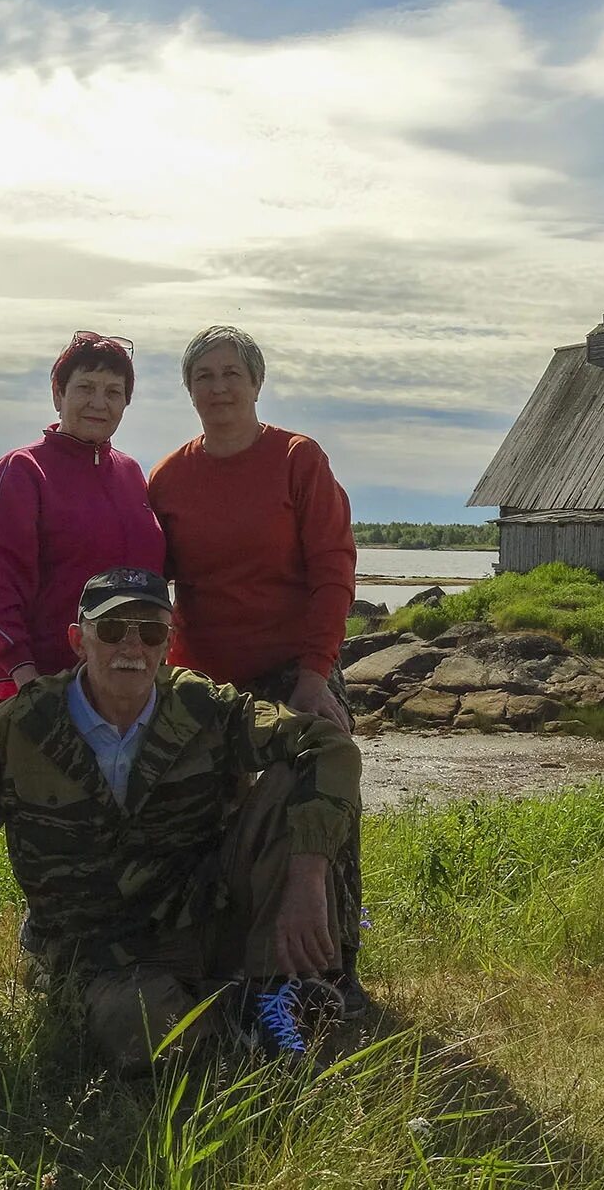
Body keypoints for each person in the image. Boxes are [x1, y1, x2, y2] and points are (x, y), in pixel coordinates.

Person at [0, 567, 362, 1069]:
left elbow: (327, 746)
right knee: (146, 1032)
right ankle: (239, 1016)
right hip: (95, 953)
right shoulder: (18, 729)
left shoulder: (202, 706)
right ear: (79, 641)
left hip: (201, 919)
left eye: (151, 632)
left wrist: (307, 875)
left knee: (293, 778)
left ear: (169, 642)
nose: (132, 647)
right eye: (114, 630)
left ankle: (271, 991)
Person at [146, 325, 367, 1008]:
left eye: (230, 373)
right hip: (206, 677)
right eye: (203, 377)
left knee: (321, 801)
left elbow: (335, 571)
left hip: (292, 667)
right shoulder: (170, 478)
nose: (218, 387)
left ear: (256, 382)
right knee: (208, 817)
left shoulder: (298, 459)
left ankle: (335, 971)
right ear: (188, 391)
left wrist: (313, 673)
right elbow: (153, 584)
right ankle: (238, 964)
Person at [0, 332, 165, 705]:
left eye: (113, 392)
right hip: (42, 686)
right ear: (58, 395)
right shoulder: (23, 471)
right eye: (85, 387)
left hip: (130, 688)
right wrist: (22, 674)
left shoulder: (132, 474)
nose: (98, 403)